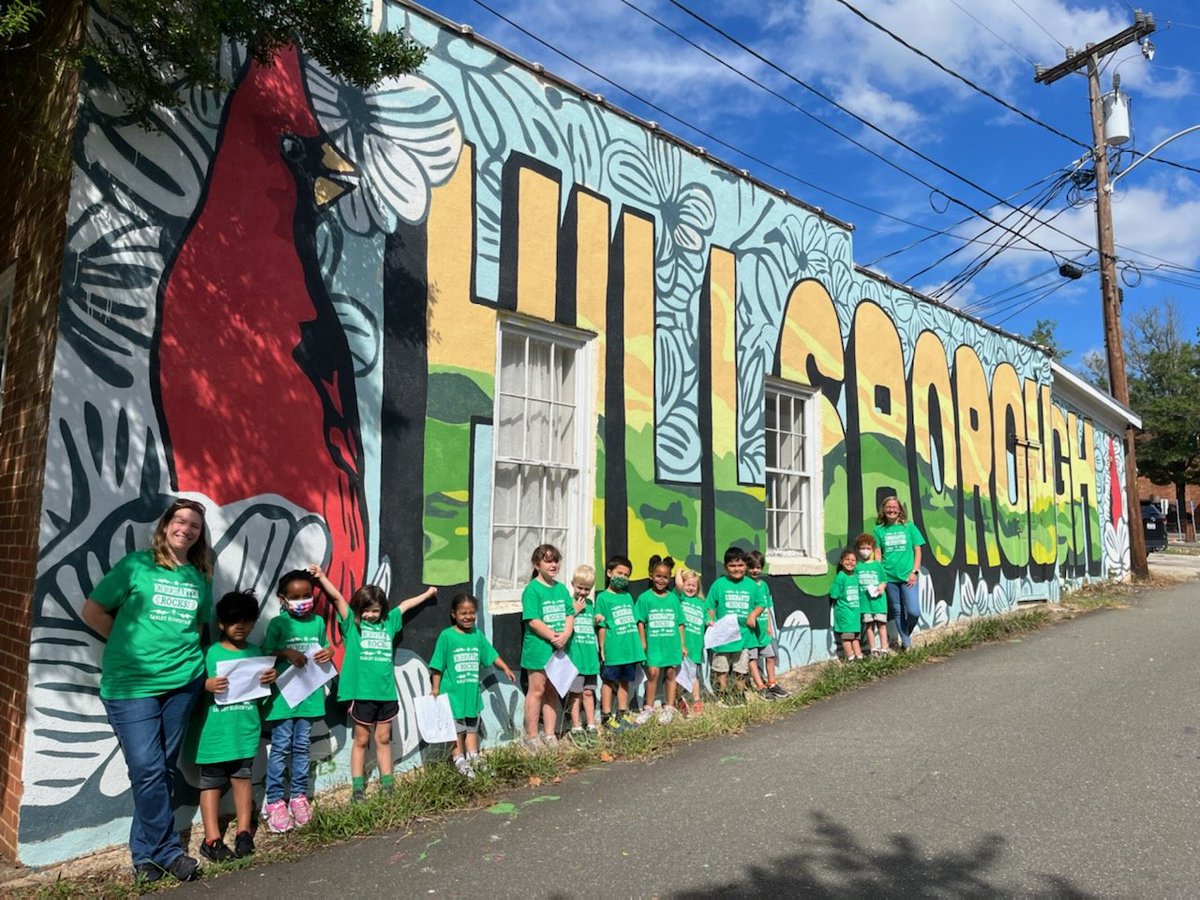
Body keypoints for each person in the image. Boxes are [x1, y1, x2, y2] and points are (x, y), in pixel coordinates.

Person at [80, 498, 212, 884]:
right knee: (147, 767)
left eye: (195, 526)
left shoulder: (200, 575)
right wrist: (126, 648)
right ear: (166, 525)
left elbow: (199, 628)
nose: (186, 529)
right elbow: (93, 611)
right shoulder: (136, 565)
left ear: (200, 536)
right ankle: (168, 851)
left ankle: (144, 856)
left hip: (183, 683)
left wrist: (195, 667)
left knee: (161, 770)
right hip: (131, 685)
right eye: (180, 521)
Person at [190, 591, 276, 862]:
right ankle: (212, 838)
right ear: (220, 624)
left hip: (244, 732)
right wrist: (205, 685)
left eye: (247, 621)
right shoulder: (208, 654)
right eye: (233, 620)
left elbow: (262, 692)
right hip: (213, 735)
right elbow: (188, 686)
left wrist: (269, 678)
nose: (241, 626)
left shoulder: (256, 653)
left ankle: (243, 832)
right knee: (211, 786)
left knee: (242, 780)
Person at [333, 581, 437, 802]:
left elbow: (405, 605)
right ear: (358, 610)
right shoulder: (353, 624)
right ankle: (358, 788)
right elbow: (337, 599)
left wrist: (427, 595)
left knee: (383, 739)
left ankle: (388, 785)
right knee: (361, 739)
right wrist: (321, 576)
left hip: (386, 695)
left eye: (375, 610)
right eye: (366, 610)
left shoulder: (389, 623)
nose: (371, 614)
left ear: (383, 610)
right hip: (362, 695)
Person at [260, 567, 335, 832]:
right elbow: (266, 652)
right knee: (280, 747)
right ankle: (274, 802)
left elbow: (325, 647)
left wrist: (328, 653)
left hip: (309, 696)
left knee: (302, 746)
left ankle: (299, 797)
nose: (303, 600)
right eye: (296, 596)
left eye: (307, 595)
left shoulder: (316, 622)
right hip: (283, 698)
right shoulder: (278, 624)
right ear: (282, 599)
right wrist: (286, 653)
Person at [428, 593, 515, 780]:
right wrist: (435, 688)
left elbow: (491, 655)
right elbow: (437, 665)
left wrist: (505, 667)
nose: (468, 617)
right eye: (463, 613)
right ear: (454, 614)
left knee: (471, 728)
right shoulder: (447, 636)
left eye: (472, 613)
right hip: (453, 695)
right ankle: (459, 759)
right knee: (457, 730)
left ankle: (474, 756)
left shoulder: (477, 635)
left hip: (472, 694)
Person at [520, 544, 575, 750]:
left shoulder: (561, 589)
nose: (553, 565)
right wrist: (554, 636)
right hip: (539, 649)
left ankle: (550, 734)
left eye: (556, 560)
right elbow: (533, 620)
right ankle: (532, 736)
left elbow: (570, 613)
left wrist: (566, 634)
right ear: (537, 564)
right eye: (548, 560)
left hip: (559, 651)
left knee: (553, 690)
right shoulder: (532, 590)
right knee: (537, 690)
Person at [634, 555, 686, 724]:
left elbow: (680, 623)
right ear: (651, 575)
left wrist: (682, 644)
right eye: (658, 576)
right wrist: (643, 641)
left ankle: (669, 708)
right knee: (653, 673)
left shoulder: (673, 599)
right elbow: (640, 621)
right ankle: (648, 708)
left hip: (671, 644)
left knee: (671, 673)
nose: (661, 580)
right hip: (653, 644)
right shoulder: (644, 598)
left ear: (669, 578)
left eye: (665, 577)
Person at [595, 554, 644, 732]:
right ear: (609, 573)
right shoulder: (602, 598)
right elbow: (602, 626)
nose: (622, 577)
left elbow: (634, 621)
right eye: (619, 573)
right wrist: (602, 648)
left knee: (625, 682)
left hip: (629, 648)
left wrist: (638, 645)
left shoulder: (628, 597)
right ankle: (607, 716)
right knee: (609, 682)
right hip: (613, 648)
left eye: (626, 574)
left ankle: (623, 713)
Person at [707, 547, 763, 697]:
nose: (737, 569)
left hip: (743, 635)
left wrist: (753, 615)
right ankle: (723, 693)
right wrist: (710, 620)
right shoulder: (719, 584)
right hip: (723, 636)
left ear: (746, 566)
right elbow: (711, 605)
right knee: (721, 667)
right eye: (732, 566)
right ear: (725, 567)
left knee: (741, 668)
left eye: (740, 565)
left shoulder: (751, 585)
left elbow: (761, 604)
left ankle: (739, 694)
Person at [873, 496, 927, 651]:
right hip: (889, 577)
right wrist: (880, 575)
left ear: (900, 510)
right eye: (888, 507)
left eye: (894, 507)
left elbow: (918, 550)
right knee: (897, 610)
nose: (891, 510)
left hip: (908, 577)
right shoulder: (878, 530)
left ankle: (905, 635)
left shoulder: (909, 527)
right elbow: (878, 553)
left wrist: (914, 571)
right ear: (883, 510)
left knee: (913, 611)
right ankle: (907, 643)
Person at [565, 564, 601, 745]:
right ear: (573, 584)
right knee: (576, 694)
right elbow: (564, 624)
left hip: (589, 658)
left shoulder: (590, 604)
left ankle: (591, 724)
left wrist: (597, 619)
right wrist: (574, 610)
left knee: (588, 692)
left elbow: (590, 625)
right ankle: (576, 725)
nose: (583, 592)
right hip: (575, 658)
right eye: (580, 587)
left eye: (587, 589)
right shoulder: (568, 603)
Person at [746, 549, 788, 698]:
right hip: (751, 630)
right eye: (751, 567)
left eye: (758, 567)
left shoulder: (763, 585)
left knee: (770, 656)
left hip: (763, 628)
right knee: (753, 658)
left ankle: (772, 683)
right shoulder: (746, 585)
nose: (755, 570)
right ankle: (760, 686)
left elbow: (767, 607)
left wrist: (769, 625)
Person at [675, 567, 710, 714]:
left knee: (694, 675)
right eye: (687, 584)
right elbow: (678, 586)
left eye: (693, 585)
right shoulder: (680, 598)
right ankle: (677, 699)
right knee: (677, 676)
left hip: (696, 646)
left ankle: (696, 700)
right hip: (681, 646)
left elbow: (707, 618)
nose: (690, 588)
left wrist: (710, 622)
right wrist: (678, 572)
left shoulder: (701, 603)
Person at [853, 534, 888, 656]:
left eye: (868, 548)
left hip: (879, 602)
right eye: (862, 548)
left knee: (881, 625)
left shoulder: (877, 565)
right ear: (857, 550)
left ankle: (884, 648)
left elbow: (884, 580)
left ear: (873, 550)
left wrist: (882, 586)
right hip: (865, 603)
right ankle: (873, 649)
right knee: (869, 626)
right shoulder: (857, 567)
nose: (865, 551)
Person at [830, 548, 864, 661]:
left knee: (855, 637)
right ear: (841, 561)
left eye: (853, 560)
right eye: (847, 559)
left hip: (855, 614)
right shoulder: (841, 577)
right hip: (845, 613)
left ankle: (859, 656)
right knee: (846, 638)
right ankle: (850, 657)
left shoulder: (855, 576)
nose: (850, 562)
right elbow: (834, 594)